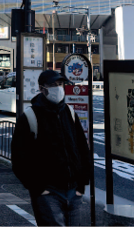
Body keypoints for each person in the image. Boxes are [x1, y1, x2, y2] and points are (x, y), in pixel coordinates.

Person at [11, 69, 91, 227]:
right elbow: (19, 159)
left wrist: (81, 185)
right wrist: (38, 189)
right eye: (53, 85)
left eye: (60, 84)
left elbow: (82, 148)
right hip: (48, 193)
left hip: (74, 190)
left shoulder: (69, 112)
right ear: (42, 89)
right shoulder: (29, 117)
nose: (58, 88)